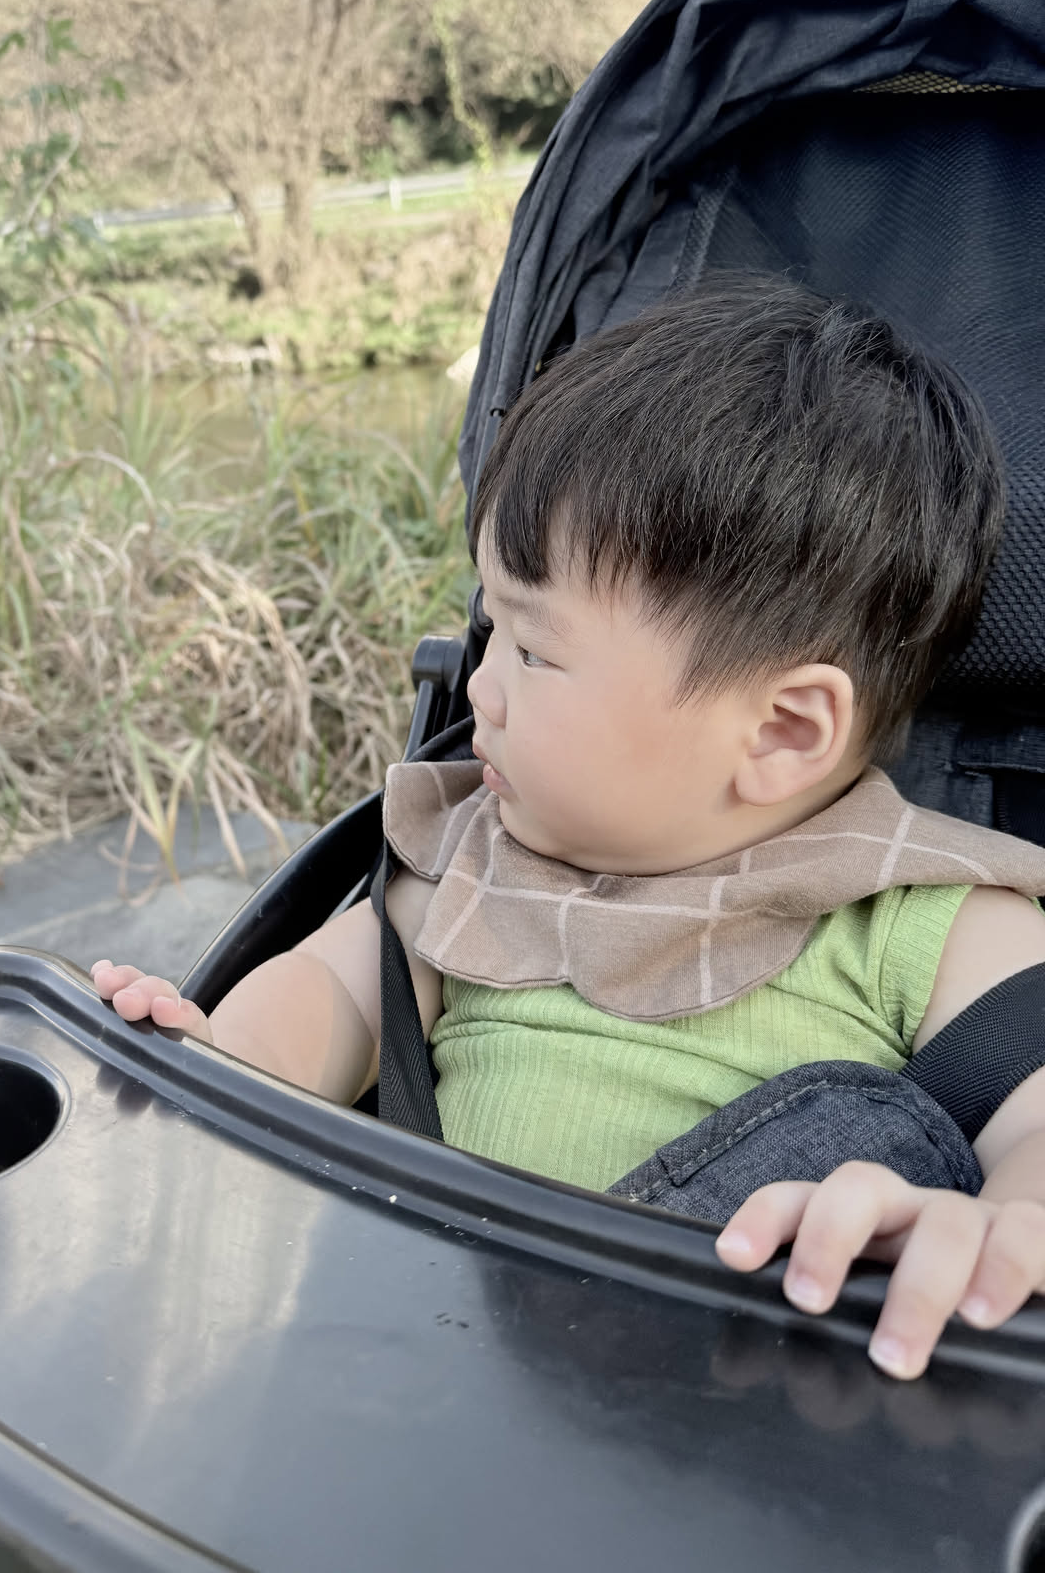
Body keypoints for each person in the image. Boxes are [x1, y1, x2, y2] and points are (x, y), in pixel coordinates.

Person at [93, 283, 1045, 1381]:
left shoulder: (929, 918)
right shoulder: (469, 867)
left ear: (783, 730)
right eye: (488, 627)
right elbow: (332, 1001)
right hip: (444, 1375)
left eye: (535, 652)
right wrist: (213, 1064)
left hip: (739, 1415)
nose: (481, 690)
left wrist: (1006, 1222)